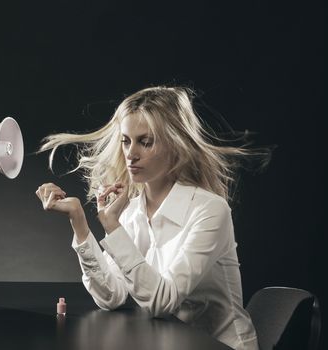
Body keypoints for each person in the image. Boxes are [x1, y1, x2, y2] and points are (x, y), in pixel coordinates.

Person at [35, 86, 260, 350]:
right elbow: (111, 296)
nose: (131, 154)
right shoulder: (132, 211)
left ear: (175, 145)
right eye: (126, 140)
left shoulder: (210, 210)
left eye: (146, 141)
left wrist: (111, 225)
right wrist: (79, 221)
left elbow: (162, 302)